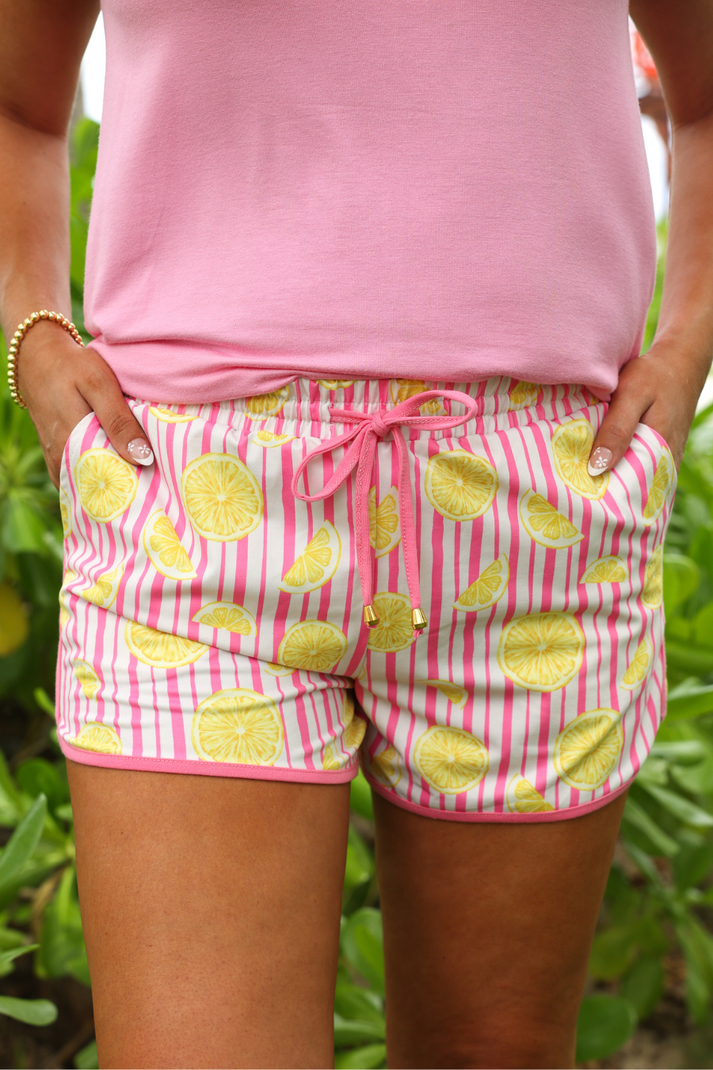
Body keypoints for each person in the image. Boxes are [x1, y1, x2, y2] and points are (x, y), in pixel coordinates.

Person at [1, 1, 712, 1067]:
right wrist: (30, 328)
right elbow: (17, 105)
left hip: (532, 516)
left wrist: (690, 335)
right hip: (196, 511)